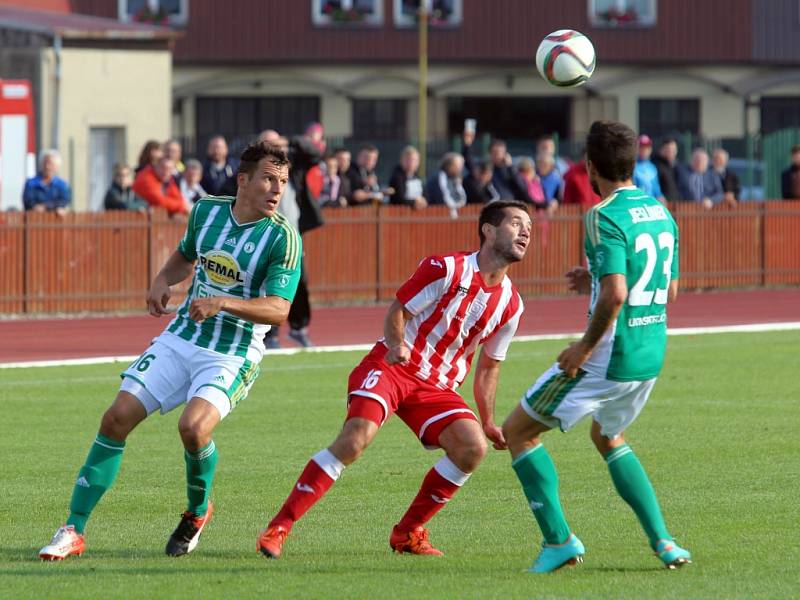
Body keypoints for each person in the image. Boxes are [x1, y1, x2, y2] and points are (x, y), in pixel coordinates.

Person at [38, 142, 301, 561]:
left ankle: (197, 512)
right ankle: (73, 529)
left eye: (283, 182)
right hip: (183, 336)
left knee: (193, 428)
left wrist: (222, 302)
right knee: (116, 417)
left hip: (232, 352)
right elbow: (185, 255)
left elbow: (280, 310)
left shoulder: (282, 237)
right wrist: (163, 278)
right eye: (269, 179)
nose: (277, 190)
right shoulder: (206, 211)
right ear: (244, 180)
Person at [256, 200, 532, 559]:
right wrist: (397, 345)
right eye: (515, 223)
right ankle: (280, 526)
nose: (525, 231)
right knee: (355, 441)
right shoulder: (445, 268)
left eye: (528, 227)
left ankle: (407, 533)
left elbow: (489, 367)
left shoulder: (512, 305)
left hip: (437, 388)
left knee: (472, 447)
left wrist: (490, 420)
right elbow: (398, 309)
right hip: (392, 367)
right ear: (488, 230)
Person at [501, 120, 690, 574]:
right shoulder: (661, 211)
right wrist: (597, 278)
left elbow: (617, 295)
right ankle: (663, 541)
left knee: (517, 432)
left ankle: (559, 541)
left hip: (608, 356)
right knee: (607, 436)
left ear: (589, 167)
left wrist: (583, 349)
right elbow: (669, 290)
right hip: (650, 354)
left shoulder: (602, 214)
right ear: (634, 162)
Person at [22, 150, 71, 215]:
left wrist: (46, 207)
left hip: (56, 221)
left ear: (57, 167)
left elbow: (64, 200)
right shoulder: (31, 183)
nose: (47, 167)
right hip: (34, 219)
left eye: (51, 164)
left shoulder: (63, 185)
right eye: (45, 163)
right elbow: (28, 201)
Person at [389, 145, 427, 210]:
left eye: (414, 160)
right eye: (408, 160)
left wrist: (424, 201)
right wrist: (414, 202)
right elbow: (399, 199)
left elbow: (425, 194)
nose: (411, 163)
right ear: (401, 160)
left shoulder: (417, 177)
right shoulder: (397, 177)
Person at [633, 135, 664, 202]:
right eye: (642, 147)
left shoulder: (652, 167)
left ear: (650, 149)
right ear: (637, 149)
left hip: (651, 204)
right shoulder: (633, 166)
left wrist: (660, 197)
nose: (644, 150)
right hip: (638, 202)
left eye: (647, 147)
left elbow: (657, 189)